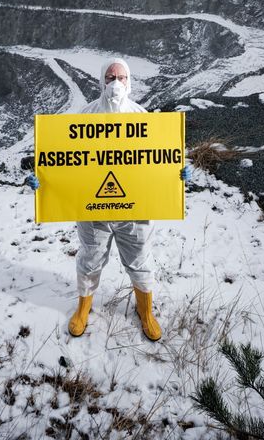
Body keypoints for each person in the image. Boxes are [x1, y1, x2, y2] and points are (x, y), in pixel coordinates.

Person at [26, 58, 190, 342]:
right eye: (110, 77)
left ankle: (145, 311)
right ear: (102, 81)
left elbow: (156, 159)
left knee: (140, 260)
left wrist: (176, 174)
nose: (116, 83)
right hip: (94, 211)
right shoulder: (85, 116)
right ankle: (83, 309)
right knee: (90, 259)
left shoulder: (142, 117)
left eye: (121, 77)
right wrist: (45, 181)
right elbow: (67, 160)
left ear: (129, 81)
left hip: (135, 211)